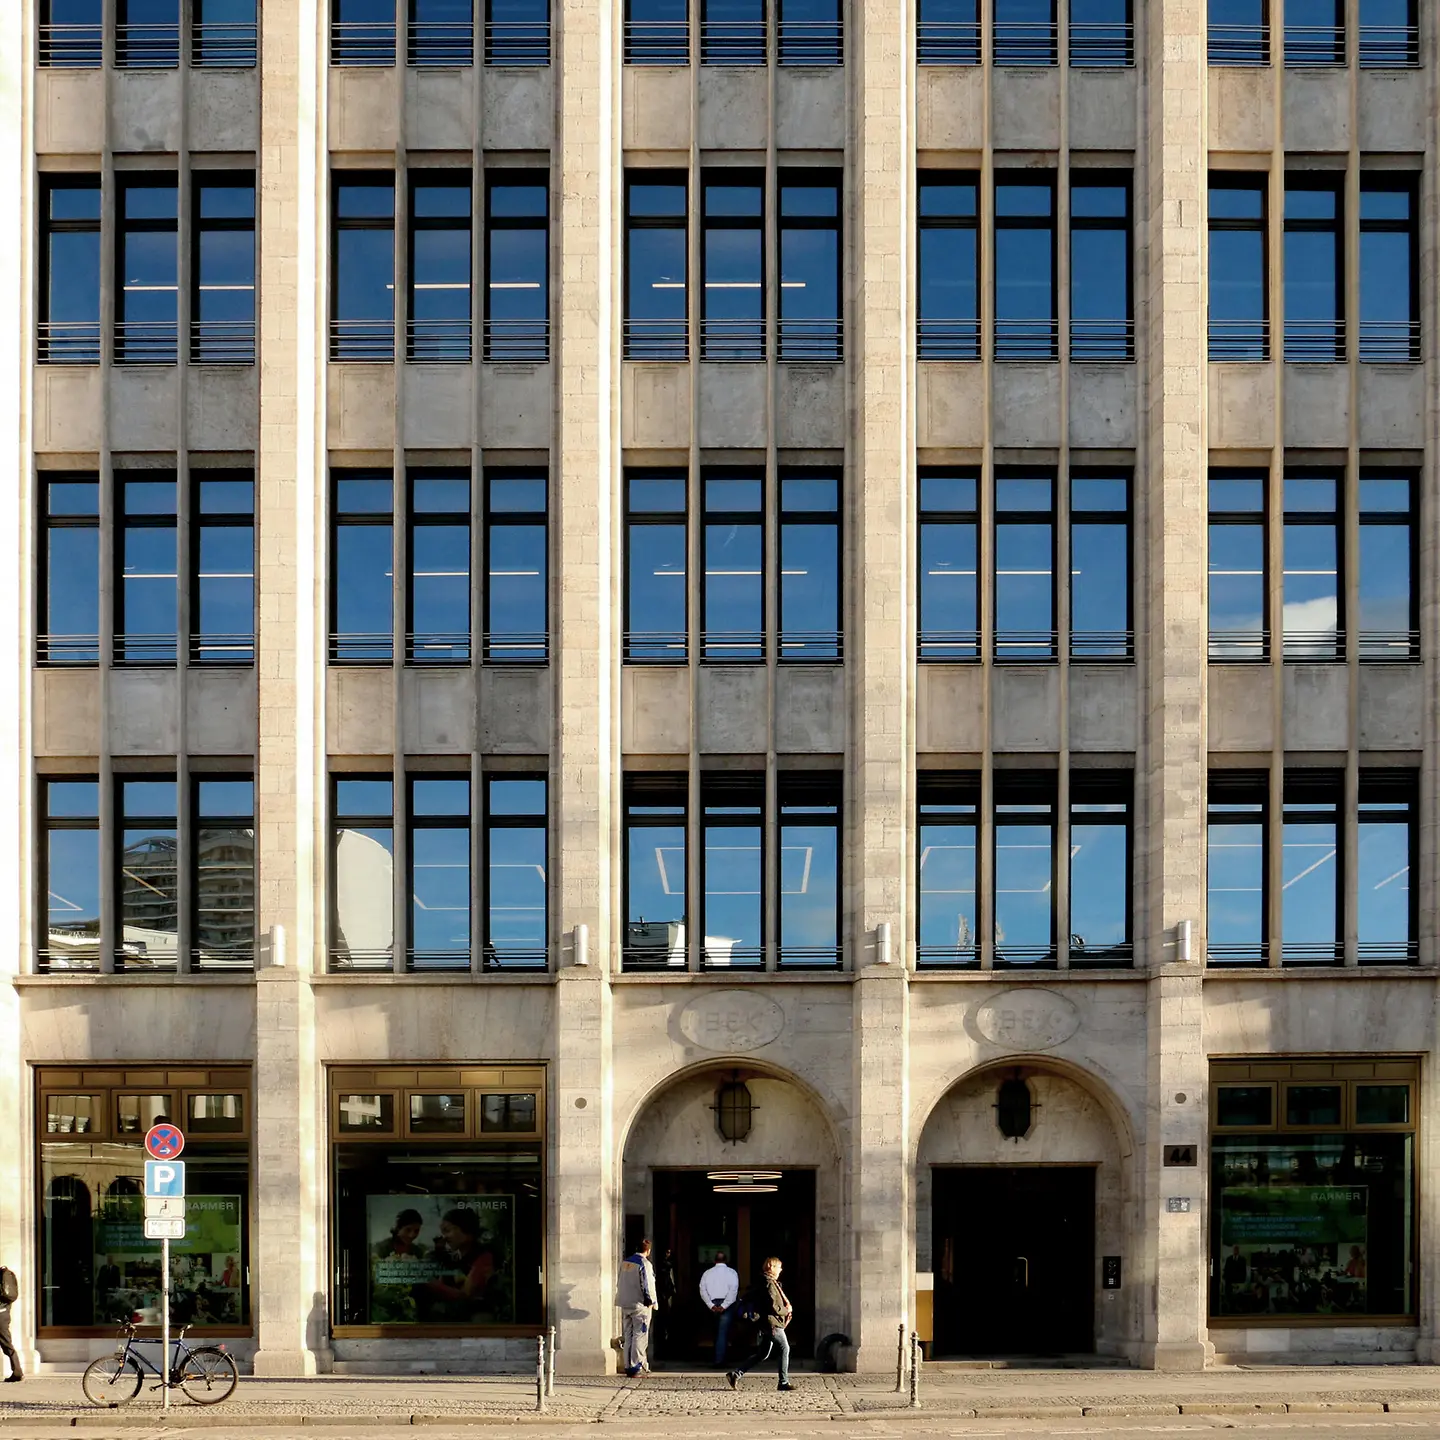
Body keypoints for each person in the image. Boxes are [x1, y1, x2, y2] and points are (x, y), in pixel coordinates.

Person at [727, 1256, 793, 1393]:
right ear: (772, 1267)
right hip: (772, 1323)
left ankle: (736, 1374)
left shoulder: (767, 1282)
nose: (781, 1269)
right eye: (779, 1267)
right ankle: (783, 1382)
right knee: (784, 1348)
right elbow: (773, 1306)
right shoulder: (768, 1283)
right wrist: (787, 1310)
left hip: (766, 1323)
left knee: (762, 1354)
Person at [616, 1238, 657, 1379]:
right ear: (648, 1250)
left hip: (625, 1302)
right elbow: (647, 1284)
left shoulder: (625, 1262)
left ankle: (628, 1365)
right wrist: (651, 1301)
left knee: (628, 1335)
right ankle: (636, 1366)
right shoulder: (644, 1263)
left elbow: (619, 1282)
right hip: (640, 1305)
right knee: (640, 1335)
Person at [698, 1250, 739, 1367]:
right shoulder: (732, 1273)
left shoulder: (707, 1273)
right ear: (726, 1260)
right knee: (723, 1332)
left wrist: (710, 1305)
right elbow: (733, 1291)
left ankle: (717, 1357)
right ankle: (720, 1359)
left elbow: (702, 1290)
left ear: (714, 1260)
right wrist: (724, 1305)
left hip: (712, 1303)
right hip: (726, 1303)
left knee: (715, 1332)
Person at [0, 1259, 23, 1382]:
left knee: (6, 1343)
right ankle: (17, 1371)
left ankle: (18, 1371)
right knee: (6, 1343)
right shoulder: (6, 1275)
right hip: (4, 1314)